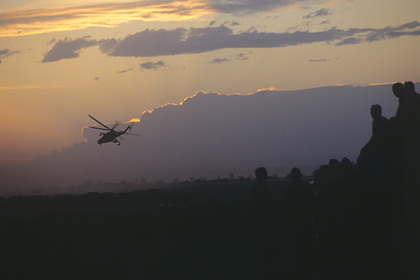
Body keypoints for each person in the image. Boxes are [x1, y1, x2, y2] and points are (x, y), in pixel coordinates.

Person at [285, 168, 315, 267]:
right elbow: (312, 201)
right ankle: (310, 261)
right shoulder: (306, 187)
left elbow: (287, 205)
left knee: (296, 241)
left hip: (294, 218)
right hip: (306, 217)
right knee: (308, 241)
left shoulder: (289, 189)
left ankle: (298, 262)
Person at [250, 167, 275, 260]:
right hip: (264, 215)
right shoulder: (263, 186)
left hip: (258, 215)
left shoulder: (255, 186)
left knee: (261, 237)